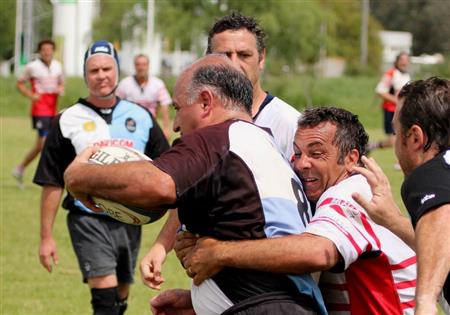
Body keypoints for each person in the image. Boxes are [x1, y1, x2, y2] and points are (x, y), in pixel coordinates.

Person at [64, 54, 327, 315]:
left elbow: (155, 185)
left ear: (205, 102)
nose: (176, 124)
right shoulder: (260, 142)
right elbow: (259, 237)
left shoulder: (217, 138)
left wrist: (79, 176)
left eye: (178, 108)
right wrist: (199, 301)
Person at [173, 107, 417, 314]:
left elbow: (317, 253)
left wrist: (219, 252)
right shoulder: (335, 192)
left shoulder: (350, 193)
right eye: (297, 153)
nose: (302, 163)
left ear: (351, 158)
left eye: (316, 153)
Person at [139, 11, 301, 295]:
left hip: (270, 284)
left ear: (261, 59)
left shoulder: (288, 123)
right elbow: (190, 182)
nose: (235, 64)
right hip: (217, 279)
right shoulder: (203, 118)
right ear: (207, 60)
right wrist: (162, 246)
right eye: (225, 55)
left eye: (244, 55)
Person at [34, 40, 170, 315]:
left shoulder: (140, 116)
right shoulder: (66, 119)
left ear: (118, 70)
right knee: (105, 298)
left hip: (130, 217)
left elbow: (168, 168)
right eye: (93, 70)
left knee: (120, 295)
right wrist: (46, 237)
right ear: (85, 76)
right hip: (87, 218)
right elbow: (52, 181)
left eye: (107, 68)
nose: (101, 76)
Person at [352, 77, 450, 315]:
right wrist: (392, 219)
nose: (395, 143)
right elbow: (442, 245)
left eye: (397, 132)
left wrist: (425, 301)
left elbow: (442, 216)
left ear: (416, 137)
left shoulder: (430, 173)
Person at [13, 39, 64, 188]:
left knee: (39, 146)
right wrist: (31, 95)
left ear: (53, 51)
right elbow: (20, 83)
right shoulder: (32, 67)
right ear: (40, 51)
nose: (47, 52)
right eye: (44, 50)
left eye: (49, 49)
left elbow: (61, 83)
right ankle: (50, 176)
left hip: (52, 109)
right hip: (40, 108)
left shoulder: (58, 66)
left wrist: (60, 88)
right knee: (44, 143)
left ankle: (20, 168)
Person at [116, 54, 173, 139]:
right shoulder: (125, 84)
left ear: (148, 66)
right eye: (138, 64)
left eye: (144, 64)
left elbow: (165, 106)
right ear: (134, 66)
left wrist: (166, 128)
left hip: (150, 124)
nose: (141, 68)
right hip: (129, 125)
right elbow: (116, 105)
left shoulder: (157, 84)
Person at [370, 52, 410, 169]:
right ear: (397, 61)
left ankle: (398, 161)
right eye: (402, 59)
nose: (404, 62)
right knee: (394, 139)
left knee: (402, 136)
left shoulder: (406, 75)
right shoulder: (391, 73)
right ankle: (372, 146)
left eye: (406, 60)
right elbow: (380, 91)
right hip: (391, 110)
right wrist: (396, 101)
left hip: (403, 110)